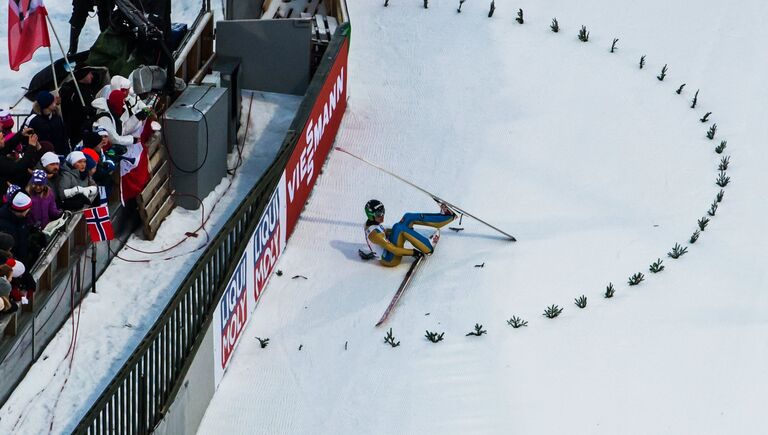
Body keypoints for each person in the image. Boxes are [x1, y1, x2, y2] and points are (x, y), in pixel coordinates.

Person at [364, 199, 456, 267]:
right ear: (371, 215)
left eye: (383, 211)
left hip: (389, 250)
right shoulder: (374, 234)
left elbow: (384, 233)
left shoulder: (373, 224)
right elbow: (394, 250)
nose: (382, 215)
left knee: (407, 217)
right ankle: (428, 247)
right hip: (390, 259)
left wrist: (405, 231)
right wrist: (413, 252)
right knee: (400, 228)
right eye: (379, 214)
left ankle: (446, 216)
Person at [59, 66, 103, 145]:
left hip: (90, 126)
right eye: (89, 74)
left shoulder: (89, 87)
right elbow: (67, 111)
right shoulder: (71, 90)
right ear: (84, 75)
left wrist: (91, 110)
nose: (91, 76)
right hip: (77, 131)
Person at [24, 91, 70, 156]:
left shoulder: (57, 117)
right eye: (53, 102)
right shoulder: (33, 119)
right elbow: (25, 137)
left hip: (59, 154)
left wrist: (66, 152)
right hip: (40, 155)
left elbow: (63, 136)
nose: (55, 103)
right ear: (47, 104)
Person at [0, 192, 33, 265]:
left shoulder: (19, 219)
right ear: (21, 211)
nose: (29, 210)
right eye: (27, 209)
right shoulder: (5, 226)